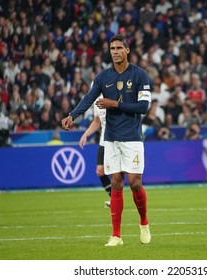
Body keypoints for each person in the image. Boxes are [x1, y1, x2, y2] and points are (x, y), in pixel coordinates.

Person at [61, 34, 151, 247]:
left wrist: (114, 104)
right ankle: (116, 236)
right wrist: (72, 115)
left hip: (132, 138)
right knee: (117, 182)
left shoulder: (140, 75)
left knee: (135, 182)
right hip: (110, 138)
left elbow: (143, 108)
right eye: (112, 48)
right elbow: (88, 98)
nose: (115, 52)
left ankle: (144, 223)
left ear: (127, 50)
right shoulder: (103, 77)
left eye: (119, 48)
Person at [79, 94, 112, 207]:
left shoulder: (113, 95)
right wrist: (85, 135)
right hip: (104, 140)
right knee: (100, 171)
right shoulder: (96, 102)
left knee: (115, 172)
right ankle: (114, 198)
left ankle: (117, 200)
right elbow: (97, 122)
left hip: (116, 139)